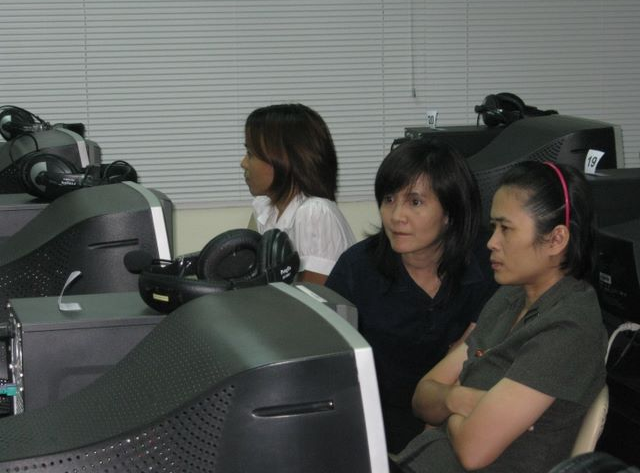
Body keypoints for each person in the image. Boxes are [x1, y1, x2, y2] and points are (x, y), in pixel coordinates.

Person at [391, 161, 608, 473]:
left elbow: (473, 450)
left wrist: (447, 409)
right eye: (493, 227)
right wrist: (461, 399)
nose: (491, 242)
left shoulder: (570, 326)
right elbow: (422, 397)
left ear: (556, 240)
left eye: (505, 229)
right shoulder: (510, 297)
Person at [325, 139, 497, 453]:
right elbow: (328, 368)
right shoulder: (357, 269)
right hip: (374, 424)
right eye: (389, 199)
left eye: (415, 202)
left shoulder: (489, 262)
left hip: (460, 420)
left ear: (450, 212)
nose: (396, 216)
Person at [241, 103, 355, 284]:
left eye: (250, 153)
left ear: (284, 159)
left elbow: (311, 298)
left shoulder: (315, 213)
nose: (244, 163)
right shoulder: (265, 209)